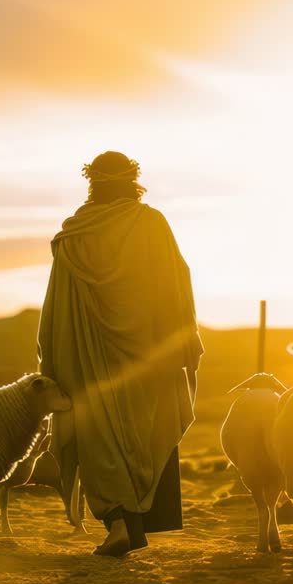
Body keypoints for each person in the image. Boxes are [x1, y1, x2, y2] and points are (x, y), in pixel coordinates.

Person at [38, 151, 203, 556]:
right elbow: (177, 284)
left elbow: (56, 307)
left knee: (101, 439)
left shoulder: (75, 234)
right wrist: (184, 340)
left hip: (91, 361)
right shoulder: (151, 225)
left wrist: (56, 357)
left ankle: (120, 525)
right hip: (148, 357)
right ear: (133, 180)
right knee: (144, 435)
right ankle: (135, 522)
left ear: (92, 182)